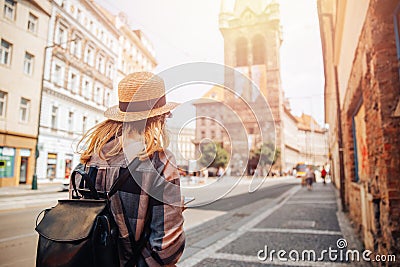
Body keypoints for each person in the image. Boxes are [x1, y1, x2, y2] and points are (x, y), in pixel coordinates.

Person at [73, 72, 185, 266]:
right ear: (159, 117)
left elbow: (77, 227)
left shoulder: (86, 160)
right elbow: (166, 248)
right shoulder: (159, 162)